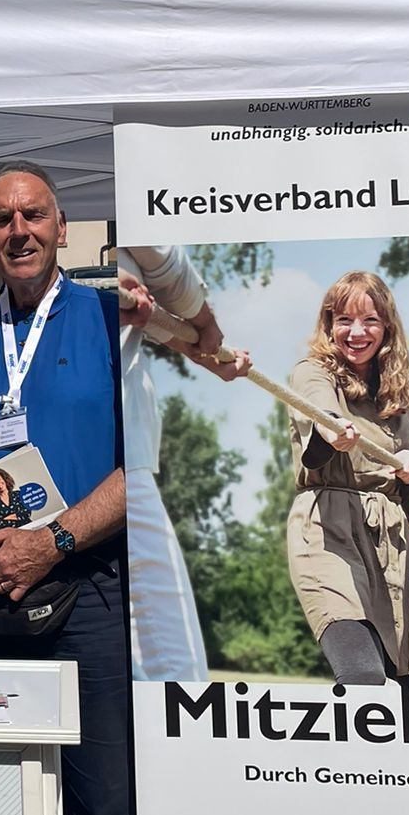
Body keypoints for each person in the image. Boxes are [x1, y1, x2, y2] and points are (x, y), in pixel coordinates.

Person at [0, 160, 130, 815]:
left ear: (61, 227)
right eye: (1, 219)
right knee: (5, 796)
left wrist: (52, 542)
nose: (19, 230)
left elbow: (147, 466)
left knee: (106, 804)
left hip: (94, 593)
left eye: (33, 214)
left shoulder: (113, 324)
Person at [285, 271, 409, 687]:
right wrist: (332, 431)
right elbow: (319, 418)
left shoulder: (400, 397)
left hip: (395, 547)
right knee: (364, 677)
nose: (356, 332)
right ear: (328, 325)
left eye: (369, 320)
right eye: (344, 320)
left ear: (386, 326)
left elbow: (406, 500)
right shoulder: (313, 373)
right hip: (330, 529)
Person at [117, 246, 251, 682]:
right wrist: (205, 324)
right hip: (120, 448)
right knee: (163, 632)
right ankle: (183, 733)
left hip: (101, 446)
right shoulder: (121, 191)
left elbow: (139, 309)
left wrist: (198, 350)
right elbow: (161, 260)